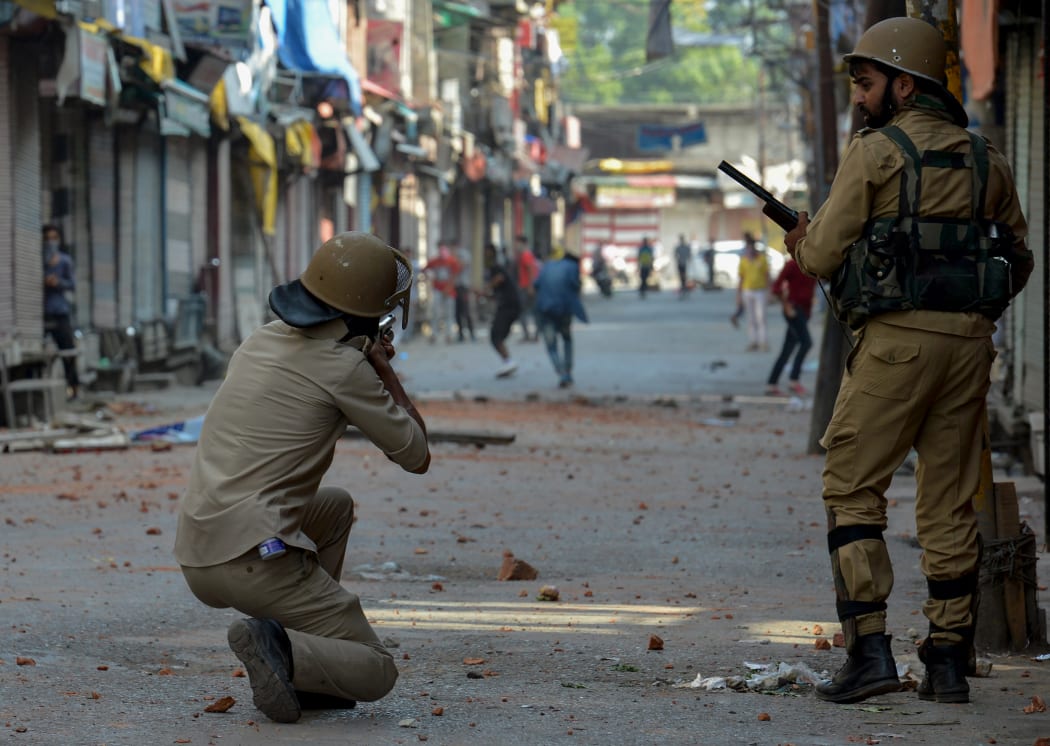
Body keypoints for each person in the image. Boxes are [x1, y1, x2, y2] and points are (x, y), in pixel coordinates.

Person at [784, 17, 1032, 706]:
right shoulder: (987, 159)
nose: (860, 98)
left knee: (850, 485)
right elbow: (1018, 252)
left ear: (903, 82)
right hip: (969, 347)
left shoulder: (877, 153)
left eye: (866, 85)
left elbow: (824, 255)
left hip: (895, 346)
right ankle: (949, 661)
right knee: (948, 502)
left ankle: (869, 655)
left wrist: (800, 244)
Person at [174, 232, 431, 724]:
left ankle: (310, 666)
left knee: (333, 508)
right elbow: (416, 454)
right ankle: (284, 648)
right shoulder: (344, 367)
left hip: (199, 550)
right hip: (254, 559)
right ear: (369, 317)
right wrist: (382, 370)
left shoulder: (259, 340)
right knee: (378, 670)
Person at [533, 244, 589, 387]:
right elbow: (575, 286)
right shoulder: (572, 267)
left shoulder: (546, 266)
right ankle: (568, 372)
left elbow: (536, 285)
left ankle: (562, 373)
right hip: (564, 309)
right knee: (567, 339)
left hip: (546, 310)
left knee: (551, 345)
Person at [765, 257, 817, 397]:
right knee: (806, 343)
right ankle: (794, 380)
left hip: (804, 311)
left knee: (788, 348)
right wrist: (786, 305)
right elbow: (776, 287)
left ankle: (772, 383)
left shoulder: (813, 263)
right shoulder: (792, 264)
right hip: (794, 310)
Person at [42, 224, 79, 400]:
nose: (50, 242)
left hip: (60, 312)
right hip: (41, 314)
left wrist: (57, 282)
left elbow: (72, 284)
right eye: (47, 238)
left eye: (54, 238)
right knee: (39, 354)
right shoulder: (38, 260)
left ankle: (73, 388)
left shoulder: (64, 261)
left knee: (68, 352)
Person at [484, 243, 521, 377]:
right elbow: (494, 293)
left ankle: (509, 362)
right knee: (497, 336)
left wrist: (486, 287)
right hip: (508, 306)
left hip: (509, 306)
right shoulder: (493, 268)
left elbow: (499, 279)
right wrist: (482, 293)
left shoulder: (496, 267)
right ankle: (508, 361)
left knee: (496, 336)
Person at [736, 233, 769, 350]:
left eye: (751, 248)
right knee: (751, 318)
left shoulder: (762, 259)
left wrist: (768, 291)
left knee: (761, 317)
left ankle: (763, 342)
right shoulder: (744, 261)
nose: (749, 250)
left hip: (760, 291)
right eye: (747, 248)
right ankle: (753, 341)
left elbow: (767, 275)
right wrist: (738, 295)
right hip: (747, 291)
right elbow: (741, 278)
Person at [422, 244, 461, 343]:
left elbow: (455, 275)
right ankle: (433, 334)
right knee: (435, 312)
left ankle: (449, 335)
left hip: (449, 291)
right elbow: (425, 269)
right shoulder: (434, 261)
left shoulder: (452, 261)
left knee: (449, 313)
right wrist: (428, 278)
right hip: (437, 289)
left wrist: (448, 288)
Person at [513, 235, 541, 341]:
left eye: (517, 243)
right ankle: (532, 334)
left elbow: (530, 270)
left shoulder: (525, 255)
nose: (515, 245)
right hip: (526, 286)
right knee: (531, 311)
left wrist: (530, 286)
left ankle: (530, 335)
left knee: (524, 311)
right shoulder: (524, 255)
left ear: (522, 243)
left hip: (526, 287)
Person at [453, 247, 476, 342]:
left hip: (463, 287)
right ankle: (460, 334)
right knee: (457, 312)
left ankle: (471, 333)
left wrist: (456, 262)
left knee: (466, 311)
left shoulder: (464, 256)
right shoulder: (453, 258)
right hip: (455, 287)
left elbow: (461, 266)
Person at [674, 234, 692, 298]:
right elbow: (675, 255)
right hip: (681, 263)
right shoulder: (679, 247)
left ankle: (684, 287)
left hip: (684, 263)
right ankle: (683, 287)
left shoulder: (685, 247)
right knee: (682, 277)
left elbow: (689, 255)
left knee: (684, 276)